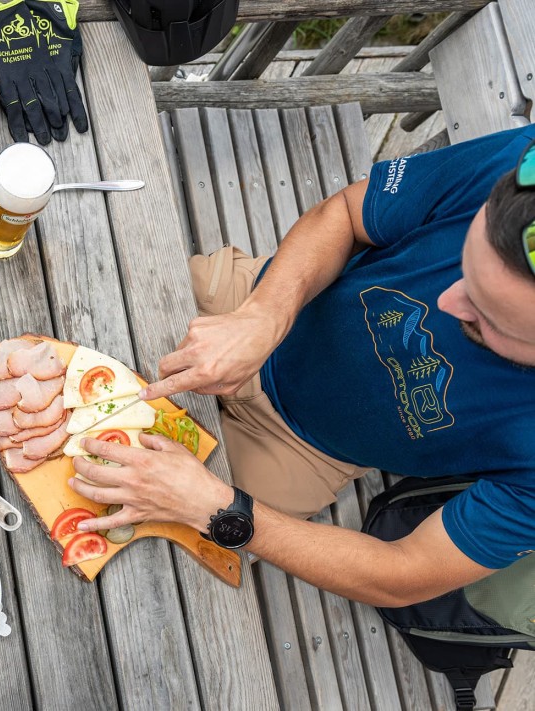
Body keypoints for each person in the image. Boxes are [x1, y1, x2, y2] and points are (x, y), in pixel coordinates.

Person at [70, 124, 535, 608]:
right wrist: (264, 315)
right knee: (75, 304)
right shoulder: (524, 167)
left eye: (485, 316)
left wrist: (218, 510)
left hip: (302, 451)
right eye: (464, 265)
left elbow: (403, 574)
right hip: (254, 302)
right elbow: (348, 213)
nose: (445, 300)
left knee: (128, 560)